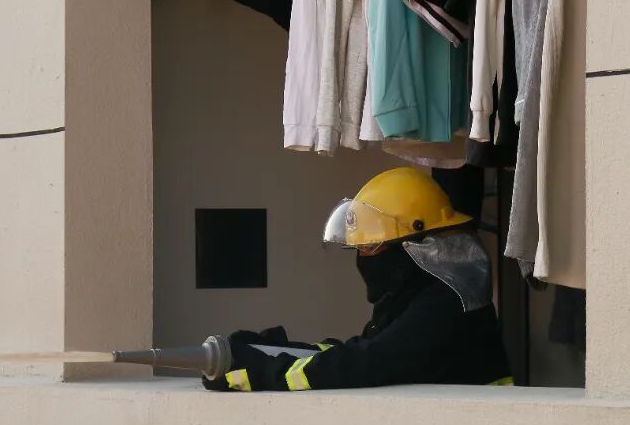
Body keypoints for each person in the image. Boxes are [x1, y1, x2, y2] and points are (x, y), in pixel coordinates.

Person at [203, 167, 513, 392]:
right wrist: (275, 350)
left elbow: (365, 364)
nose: (363, 259)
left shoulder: (446, 306)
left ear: (416, 247)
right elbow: (363, 349)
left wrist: (260, 371)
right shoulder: (416, 296)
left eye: (370, 247)